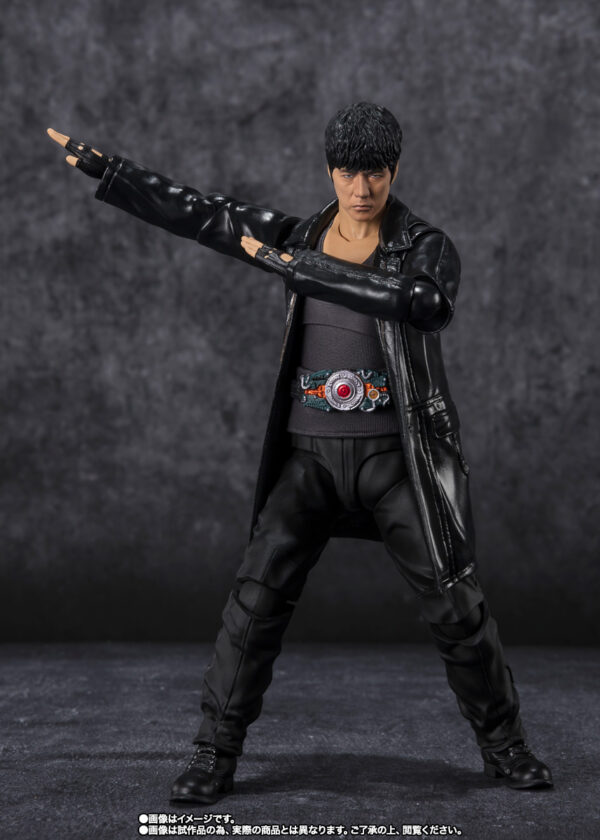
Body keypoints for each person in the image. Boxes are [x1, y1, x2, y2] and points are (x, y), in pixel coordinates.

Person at [47, 102, 553, 803]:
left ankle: (506, 746)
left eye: (375, 173)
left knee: (455, 605)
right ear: (330, 171)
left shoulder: (422, 245)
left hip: (396, 459)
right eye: (348, 173)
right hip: (310, 457)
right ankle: (213, 753)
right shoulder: (300, 235)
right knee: (253, 604)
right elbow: (206, 215)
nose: (361, 189)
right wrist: (116, 175)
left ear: (394, 170)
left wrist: (307, 273)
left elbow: (425, 304)